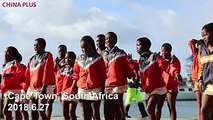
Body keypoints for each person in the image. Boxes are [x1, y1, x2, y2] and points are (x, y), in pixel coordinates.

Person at [73, 35, 106, 120]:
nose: (84, 49)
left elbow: (103, 75)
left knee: (95, 114)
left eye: (86, 47)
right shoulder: (78, 59)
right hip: (82, 89)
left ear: (92, 45)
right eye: (82, 47)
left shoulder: (98, 58)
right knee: (85, 114)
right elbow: (76, 74)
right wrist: (73, 88)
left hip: (95, 89)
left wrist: (102, 90)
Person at [103, 32, 135, 120]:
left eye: (111, 38)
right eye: (106, 39)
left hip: (118, 84)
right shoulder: (103, 54)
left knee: (117, 106)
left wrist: (132, 75)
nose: (108, 40)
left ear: (115, 40)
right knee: (107, 108)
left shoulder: (121, 53)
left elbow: (127, 68)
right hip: (106, 85)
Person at [24, 38, 56, 120]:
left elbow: (47, 71)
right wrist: (25, 88)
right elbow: (27, 75)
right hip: (32, 88)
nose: (35, 47)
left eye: (37, 45)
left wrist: (44, 87)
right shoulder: (31, 59)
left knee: (41, 111)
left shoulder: (47, 55)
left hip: (43, 87)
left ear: (43, 45)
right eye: (34, 45)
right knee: (33, 111)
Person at [136, 37, 167, 120]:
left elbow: (164, 66)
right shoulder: (141, 59)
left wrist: (160, 58)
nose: (136, 47)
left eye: (138, 45)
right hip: (148, 89)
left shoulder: (154, 56)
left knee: (149, 108)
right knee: (151, 111)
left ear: (146, 46)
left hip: (158, 88)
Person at [1, 46, 28, 120]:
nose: (6, 54)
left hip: (17, 90)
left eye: (8, 52)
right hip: (8, 90)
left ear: (14, 54)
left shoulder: (16, 63)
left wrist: (10, 75)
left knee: (11, 110)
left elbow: (20, 73)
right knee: (17, 111)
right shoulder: (5, 65)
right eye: (5, 52)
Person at [161, 43, 182, 120]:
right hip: (162, 85)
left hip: (171, 86)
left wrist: (176, 73)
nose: (163, 52)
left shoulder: (175, 60)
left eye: (165, 51)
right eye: (162, 51)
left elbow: (175, 70)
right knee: (158, 106)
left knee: (171, 106)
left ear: (170, 51)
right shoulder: (160, 60)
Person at [125, 54, 148, 118]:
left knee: (138, 101)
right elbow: (133, 64)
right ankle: (125, 113)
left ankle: (144, 114)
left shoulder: (137, 66)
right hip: (131, 87)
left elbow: (135, 64)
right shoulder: (131, 66)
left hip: (135, 88)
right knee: (129, 101)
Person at [56, 51, 78, 120]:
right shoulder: (62, 70)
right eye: (66, 58)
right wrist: (59, 93)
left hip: (74, 92)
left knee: (72, 112)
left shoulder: (77, 68)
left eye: (69, 58)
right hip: (64, 92)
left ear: (74, 58)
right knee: (65, 113)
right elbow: (59, 83)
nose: (67, 60)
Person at [198, 22, 213, 120]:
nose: (204, 37)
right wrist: (200, 79)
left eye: (205, 35)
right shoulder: (202, 49)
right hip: (208, 84)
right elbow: (201, 67)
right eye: (202, 36)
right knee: (204, 110)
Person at [188, 39, 204, 120]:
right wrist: (198, 42)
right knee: (199, 104)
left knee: (206, 105)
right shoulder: (196, 54)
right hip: (197, 80)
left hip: (206, 80)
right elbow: (190, 42)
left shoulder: (207, 53)